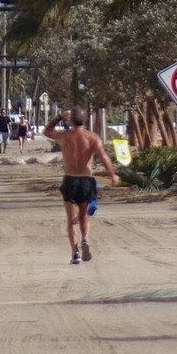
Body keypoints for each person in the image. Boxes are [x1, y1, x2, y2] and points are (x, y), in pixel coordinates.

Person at [43, 107, 119, 265]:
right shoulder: (92, 137)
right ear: (85, 120)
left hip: (70, 179)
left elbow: (46, 131)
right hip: (86, 180)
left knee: (71, 221)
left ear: (71, 120)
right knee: (84, 215)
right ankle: (85, 239)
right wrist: (112, 174)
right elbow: (103, 156)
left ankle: (75, 253)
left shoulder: (64, 136)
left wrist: (58, 117)